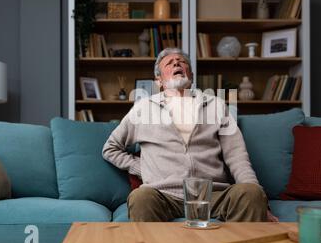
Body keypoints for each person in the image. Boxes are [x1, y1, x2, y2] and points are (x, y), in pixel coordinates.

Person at [102, 48, 277, 222]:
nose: (177, 63)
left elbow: (237, 157)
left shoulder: (216, 105)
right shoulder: (143, 109)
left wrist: (262, 204)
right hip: (163, 195)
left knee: (251, 193)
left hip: (212, 195)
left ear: (191, 76)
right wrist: (143, 168)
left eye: (182, 61)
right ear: (159, 80)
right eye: (169, 63)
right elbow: (110, 148)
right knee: (140, 197)